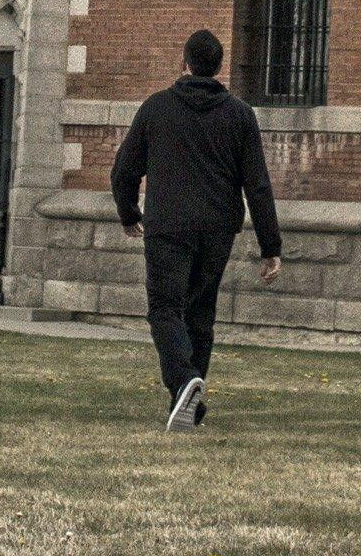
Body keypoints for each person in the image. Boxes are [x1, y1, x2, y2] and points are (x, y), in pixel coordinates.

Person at [109, 27, 283, 429]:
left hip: (169, 225)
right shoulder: (240, 115)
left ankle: (184, 381)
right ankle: (188, 404)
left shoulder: (156, 108)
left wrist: (129, 213)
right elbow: (257, 183)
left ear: (184, 62)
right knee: (200, 312)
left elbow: (124, 171)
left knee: (165, 309)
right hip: (218, 228)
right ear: (219, 67)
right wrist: (270, 245)